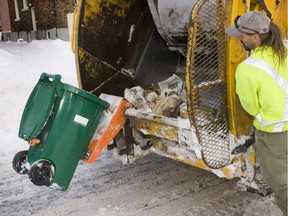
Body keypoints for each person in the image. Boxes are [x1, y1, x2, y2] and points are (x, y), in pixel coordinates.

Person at [225, 11, 288, 215]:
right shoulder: (285, 48)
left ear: (256, 37)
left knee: (283, 186)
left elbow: (251, 108)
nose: (238, 37)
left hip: (275, 138)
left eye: (241, 34)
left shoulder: (247, 70)